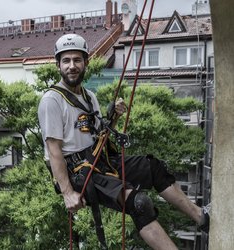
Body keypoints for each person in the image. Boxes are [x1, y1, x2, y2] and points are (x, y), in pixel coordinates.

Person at [38, 34, 210, 249]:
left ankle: (202, 218)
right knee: (139, 203)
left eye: (77, 60)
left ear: (86, 63)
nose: (72, 66)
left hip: (98, 159)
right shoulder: (51, 101)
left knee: (153, 167)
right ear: (58, 65)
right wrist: (67, 193)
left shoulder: (89, 97)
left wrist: (115, 117)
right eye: (66, 61)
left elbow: (99, 135)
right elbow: (54, 151)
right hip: (77, 173)